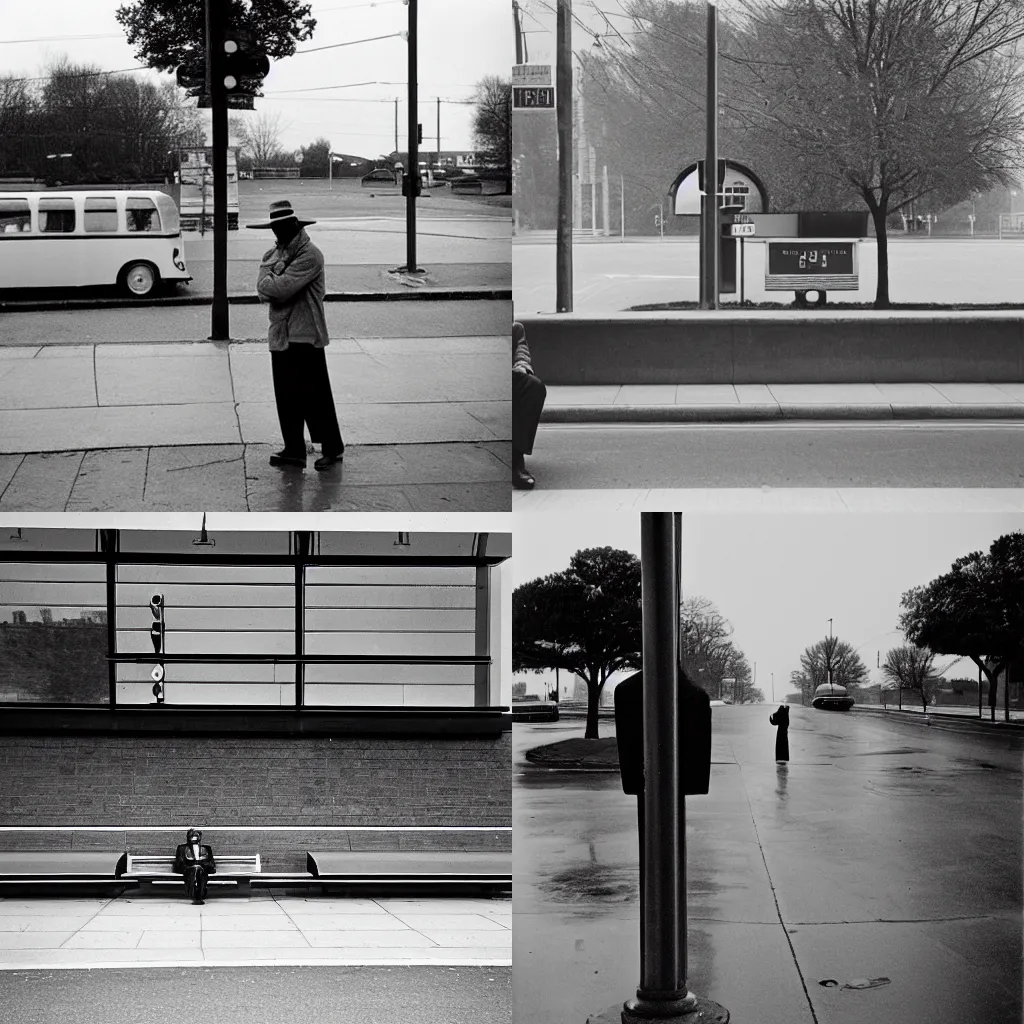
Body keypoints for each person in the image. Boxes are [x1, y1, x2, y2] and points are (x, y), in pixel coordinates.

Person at [248, 199, 344, 471]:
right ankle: (294, 449)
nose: (276, 233)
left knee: (316, 396)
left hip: (306, 335)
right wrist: (271, 278)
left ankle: (332, 448)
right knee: (287, 396)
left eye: (280, 227)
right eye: (273, 228)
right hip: (281, 335)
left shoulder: (310, 254)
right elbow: (262, 287)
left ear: (294, 225)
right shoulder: (275, 253)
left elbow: (279, 289)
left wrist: (272, 278)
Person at [512, 319, 546, 490]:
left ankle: (516, 458)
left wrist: (521, 367)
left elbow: (522, 353)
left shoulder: (516, 329)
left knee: (534, 387)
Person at [173, 827, 216, 904]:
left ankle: (199, 895)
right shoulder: (182, 848)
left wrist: (201, 865)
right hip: (188, 869)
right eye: (192, 836)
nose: (194, 839)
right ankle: (196, 895)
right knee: (195, 871)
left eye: (196, 836)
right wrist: (192, 866)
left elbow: (211, 862)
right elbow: (180, 862)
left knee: (200, 872)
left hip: (202, 869)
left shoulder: (206, 848)